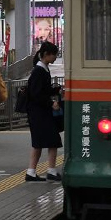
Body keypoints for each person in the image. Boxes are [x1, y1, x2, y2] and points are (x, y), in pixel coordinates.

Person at [24, 40, 62, 181]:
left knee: (46, 141)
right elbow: (36, 94)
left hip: (40, 111)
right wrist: (51, 102)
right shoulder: (39, 71)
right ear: (46, 54)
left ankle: (36, 171)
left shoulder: (43, 69)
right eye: (54, 55)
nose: (55, 58)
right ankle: (38, 171)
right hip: (38, 112)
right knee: (47, 140)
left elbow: (42, 91)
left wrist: (56, 89)